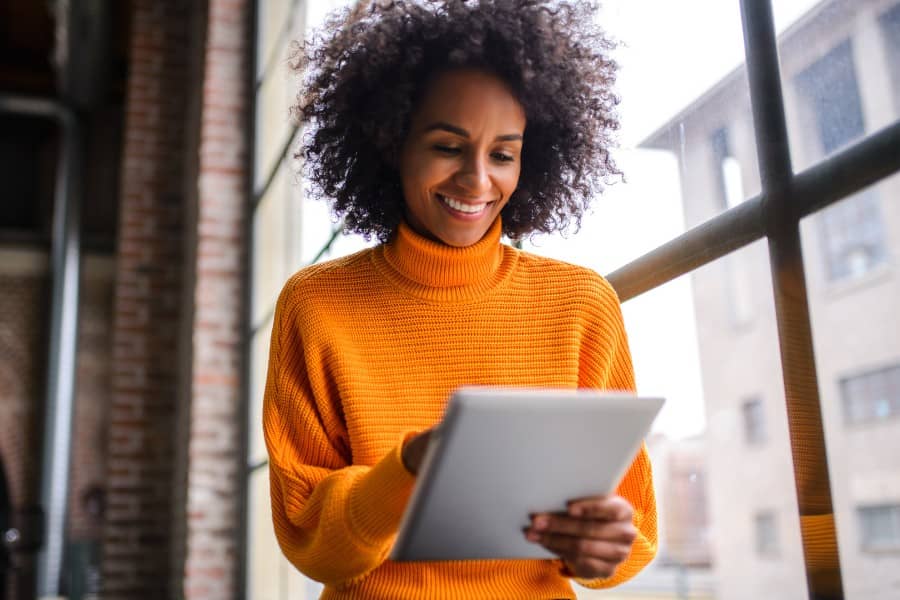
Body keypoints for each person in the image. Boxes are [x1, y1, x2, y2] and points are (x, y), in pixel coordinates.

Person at [262, 1, 657, 598]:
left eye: (503, 154)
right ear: (391, 142)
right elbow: (311, 541)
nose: (477, 180)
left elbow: (633, 529)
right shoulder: (317, 304)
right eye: (448, 146)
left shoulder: (581, 303)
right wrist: (410, 467)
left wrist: (603, 550)